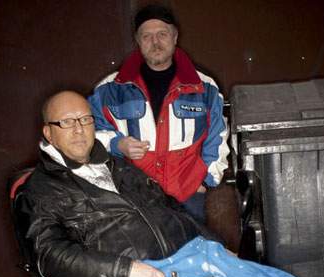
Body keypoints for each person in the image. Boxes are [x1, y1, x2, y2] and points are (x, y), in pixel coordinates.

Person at [15, 90, 214, 277]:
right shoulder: (39, 190)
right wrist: (125, 271)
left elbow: (171, 207)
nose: (79, 130)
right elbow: (49, 255)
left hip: (186, 265)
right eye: (67, 122)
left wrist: (214, 245)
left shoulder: (119, 166)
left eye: (85, 120)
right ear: (49, 133)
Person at [88, 4, 229, 222]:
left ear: (174, 37)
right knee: (145, 256)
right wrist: (117, 144)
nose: (155, 42)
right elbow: (90, 133)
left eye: (162, 34)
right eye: (147, 36)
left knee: (192, 253)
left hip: (188, 197)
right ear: (138, 40)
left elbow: (217, 138)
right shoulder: (108, 90)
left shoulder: (205, 88)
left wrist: (206, 180)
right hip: (133, 200)